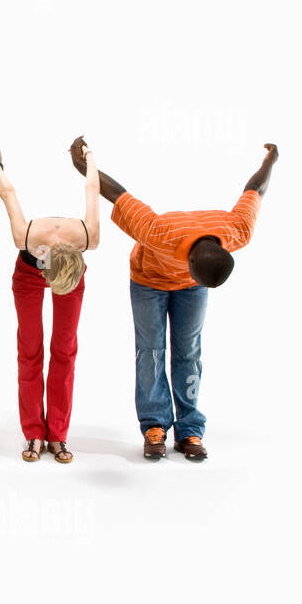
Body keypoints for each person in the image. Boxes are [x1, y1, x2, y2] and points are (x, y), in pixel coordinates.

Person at [71, 137, 277, 461]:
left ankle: (190, 428)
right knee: (151, 351)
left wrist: (270, 161)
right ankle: (155, 425)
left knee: (189, 351)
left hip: (191, 289)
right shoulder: (158, 231)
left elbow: (255, 190)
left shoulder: (237, 230)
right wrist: (83, 163)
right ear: (190, 264)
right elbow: (117, 194)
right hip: (149, 281)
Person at [0, 139, 100, 463]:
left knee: (65, 348)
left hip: (71, 277)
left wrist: (89, 159)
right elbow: (8, 193)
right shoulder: (27, 236)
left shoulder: (88, 237)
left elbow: (91, 190)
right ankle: (34, 432)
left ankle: (57, 434)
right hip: (30, 276)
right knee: (30, 348)